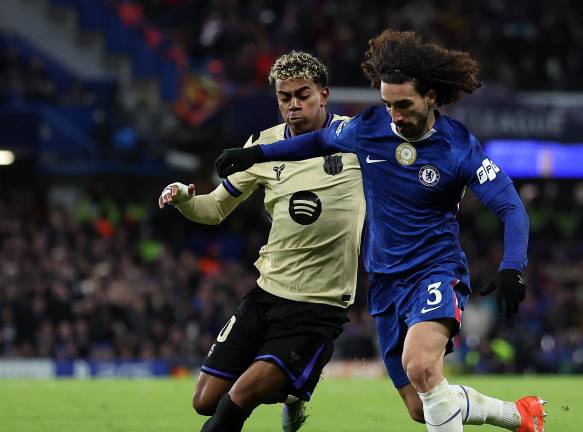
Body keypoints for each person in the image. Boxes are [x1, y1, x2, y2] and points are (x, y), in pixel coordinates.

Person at [214, 30, 546, 432]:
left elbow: (510, 205)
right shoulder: (370, 128)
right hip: (386, 284)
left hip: (435, 272)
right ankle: (518, 414)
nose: (395, 115)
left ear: (431, 98)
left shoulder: (458, 147)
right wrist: (255, 154)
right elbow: (317, 142)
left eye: (404, 105)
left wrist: (513, 265)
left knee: (421, 364)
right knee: (422, 407)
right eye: (388, 104)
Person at [158, 51, 365, 432]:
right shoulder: (261, 145)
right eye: (284, 97)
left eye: (303, 95)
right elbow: (214, 209)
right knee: (204, 400)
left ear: (324, 94)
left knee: (238, 400)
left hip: (318, 303)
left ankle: (291, 379)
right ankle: (293, 390)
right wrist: (185, 199)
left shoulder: (356, 139)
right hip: (267, 293)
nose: (293, 105)